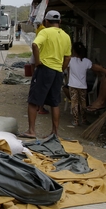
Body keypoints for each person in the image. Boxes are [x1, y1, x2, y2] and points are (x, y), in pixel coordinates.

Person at [19, 10, 71, 139]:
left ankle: (31, 131)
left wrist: (37, 62)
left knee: (33, 101)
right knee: (55, 103)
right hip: (58, 72)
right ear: (60, 21)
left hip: (45, 69)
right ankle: (55, 133)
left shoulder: (45, 32)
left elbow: (35, 44)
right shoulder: (66, 36)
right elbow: (68, 58)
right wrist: (60, 68)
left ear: (46, 21)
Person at [66, 41, 92, 126]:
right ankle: (84, 120)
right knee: (83, 104)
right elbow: (92, 68)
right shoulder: (87, 62)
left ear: (74, 51)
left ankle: (76, 121)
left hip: (72, 85)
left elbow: (67, 69)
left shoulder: (70, 60)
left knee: (74, 103)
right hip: (83, 86)